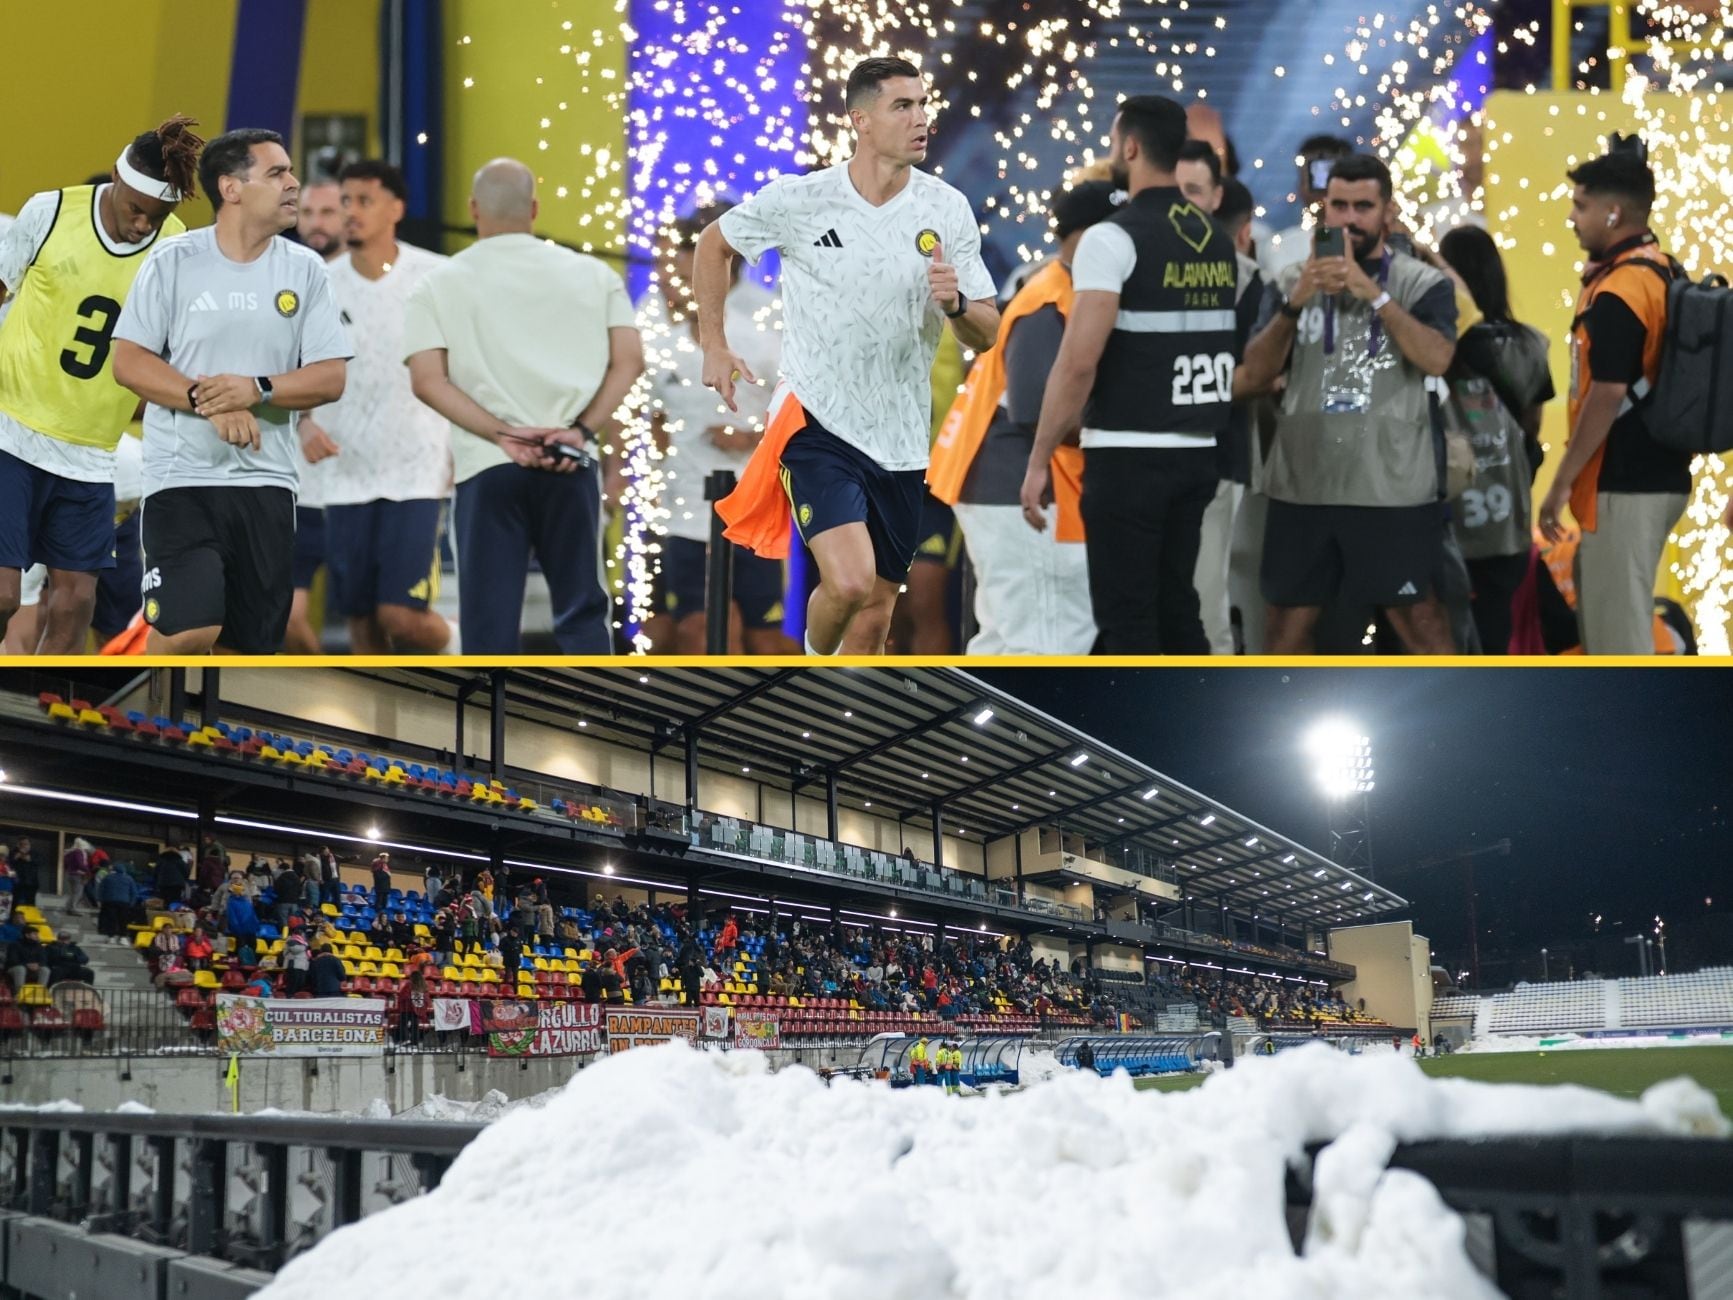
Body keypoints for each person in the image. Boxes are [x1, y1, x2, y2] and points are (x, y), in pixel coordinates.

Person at [701, 56, 999, 655]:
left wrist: (957, 303)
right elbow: (715, 244)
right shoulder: (800, 199)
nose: (921, 118)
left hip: (902, 440)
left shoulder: (947, 208)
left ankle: (848, 720)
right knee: (850, 579)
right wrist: (714, 342)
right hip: (815, 421)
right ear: (860, 120)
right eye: (902, 106)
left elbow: (986, 332)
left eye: (922, 104)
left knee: (874, 618)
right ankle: (810, 674)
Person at [111, 127, 351, 653]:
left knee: (249, 653)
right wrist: (206, 401)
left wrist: (256, 389)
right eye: (277, 172)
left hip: (268, 485)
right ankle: (149, 727)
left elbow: (331, 376)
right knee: (188, 629)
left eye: (289, 170)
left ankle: (213, 735)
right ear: (231, 187)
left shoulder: (306, 270)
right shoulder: (172, 261)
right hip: (180, 479)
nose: (293, 183)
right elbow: (127, 360)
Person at [1021, 94, 1242, 653]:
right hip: (1197, 453)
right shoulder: (1215, 237)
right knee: (1179, 611)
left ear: (1131, 146)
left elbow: (1077, 362)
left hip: (1128, 458)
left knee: (1127, 625)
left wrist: (1039, 458)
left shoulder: (1111, 237)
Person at [404, 158, 641, 654]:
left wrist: (501, 434)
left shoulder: (437, 283)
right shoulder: (595, 276)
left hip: (488, 466)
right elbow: (629, 363)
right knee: (582, 617)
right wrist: (580, 431)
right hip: (571, 460)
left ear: (473, 209)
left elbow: (427, 382)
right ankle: (600, 721)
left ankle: (491, 727)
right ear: (534, 208)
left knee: (488, 627)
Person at [1236, 154, 1459, 654]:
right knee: (1284, 627)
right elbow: (1256, 372)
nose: (1350, 219)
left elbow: (1438, 358)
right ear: (1323, 209)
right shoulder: (1288, 280)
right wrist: (1297, 300)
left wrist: (1374, 295)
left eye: (1363, 206)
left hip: (1390, 484)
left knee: (1420, 620)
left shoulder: (1421, 283)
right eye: (1339, 205)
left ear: (1387, 211)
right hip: (1304, 483)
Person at [0, 117, 201, 653]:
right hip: (10, 430)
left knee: (76, 603)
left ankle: (43, 709)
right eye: (136, 209)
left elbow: (169, 347)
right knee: (3, 595)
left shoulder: (175, 248)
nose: (143, 225)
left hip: (91, 452)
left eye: (157, 217)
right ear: (114, 177)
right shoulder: (50, 211)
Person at [929, 179, 1114, 655]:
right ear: (1088, 235)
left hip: (1016, 484)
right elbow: (1035, 410)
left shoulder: (1072, 289)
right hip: (1019, 488)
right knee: (1044, 638)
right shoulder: (1048, 297)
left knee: (1014, 636)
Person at [1538, 136, 1692, 654]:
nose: (1573, 218)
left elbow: (1607, 393)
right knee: (1609, 635)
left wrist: (1560, 483)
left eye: (1581, 206)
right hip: (1654, 477)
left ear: (1613, 213)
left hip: (1625, 487)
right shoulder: (1660, 268)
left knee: (1620, 649)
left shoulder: (1620, 291)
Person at [309, 160, 453, 654]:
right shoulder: (318, 283)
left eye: (363, 201)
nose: (350, 212)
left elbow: (470, 367)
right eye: (345, 201)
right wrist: (304, 422)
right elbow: (293, 365)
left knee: (402, 616)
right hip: (344, 472)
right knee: (362, 622)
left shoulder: (437, 276)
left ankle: (460, 643)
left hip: (417, 471)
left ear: (397, 208)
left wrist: (463, 445)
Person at [639, 204, 792, 654]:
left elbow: (797, 416)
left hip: (753, 506)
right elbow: (652, 421)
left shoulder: (763, 339)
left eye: (684, 278)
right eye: (670, 275)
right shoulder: (658, 345)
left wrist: (749, 439)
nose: (671, 286)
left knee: (763, 638)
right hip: (684, 515)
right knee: (698, 631)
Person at [1435, 225, 1554, 654]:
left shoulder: (1435, 348)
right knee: (1496, 630)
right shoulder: (1530, 345)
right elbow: (1531, 429)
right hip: (1507, 519)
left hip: (1450, 517)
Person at [1174, 145, 1266, 655]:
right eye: (1176, 191)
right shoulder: (1133, 261)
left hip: (1214, 461)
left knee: (1206, 604)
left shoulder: (1247, 279)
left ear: (1214, 199)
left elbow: (1262, 374)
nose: (1183, 205)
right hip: (1146, 464)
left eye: (1194, 191)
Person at [283, 177, 346, 654]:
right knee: (287, 617)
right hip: (300, 486)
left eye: (327, 212)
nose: (316, 224)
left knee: (388, 621)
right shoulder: (286, 279)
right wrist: (303, 421)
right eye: (308, 213)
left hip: (371, 484)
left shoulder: (381, 284)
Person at [1260, 134, 1355, 282]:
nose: (1323, 185)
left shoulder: (1368, 244)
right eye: (1311, 177)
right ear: (1300, 186)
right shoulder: (1278, 248)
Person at [96, 860, 140, 941]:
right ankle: (122, 937)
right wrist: (131, 903)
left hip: (109, 902)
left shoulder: (108, 877)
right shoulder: (129, 879)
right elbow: (134, 892)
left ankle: (111, 937)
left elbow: (101, 889)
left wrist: (99, 900)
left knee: (111, 919)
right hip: (124, 903)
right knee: (123, 920)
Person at [10, 838, 39, 909]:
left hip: (31, 883)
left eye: (26, 844)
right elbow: (9, 864)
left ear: (29, 845)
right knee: (15, 903)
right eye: (21, 844)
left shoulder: (34, 853)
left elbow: (39, 863)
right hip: (17, 883)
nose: (24, 846)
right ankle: (14, 917)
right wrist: (16, 857)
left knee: (30, 904)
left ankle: (29, 918)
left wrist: (30, 859)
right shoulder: (14, 852)